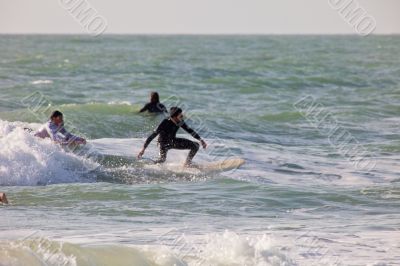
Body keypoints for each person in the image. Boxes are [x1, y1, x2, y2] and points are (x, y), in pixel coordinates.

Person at [137, 107, 207, 166]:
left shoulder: (179, 122)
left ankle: (187, 164)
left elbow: (190, 130)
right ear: (174, 116)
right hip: (163, 143)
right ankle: (148, 164)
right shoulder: (165, 123)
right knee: (162, 160)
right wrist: (143, 149)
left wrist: (201, 140)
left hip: (173, 141)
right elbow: (152, 136)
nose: (182, 117)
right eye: (180, 116)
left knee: (195, 145)